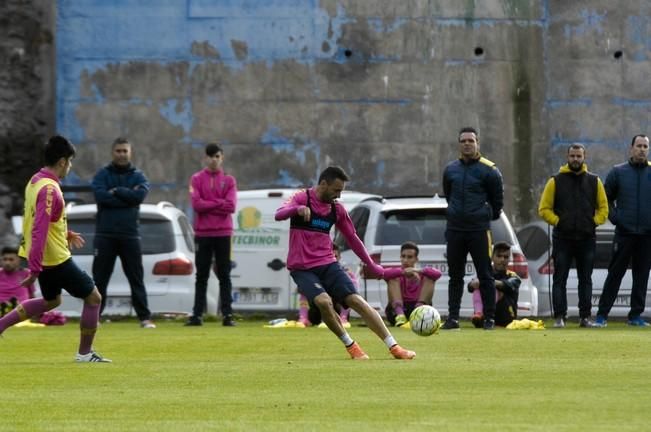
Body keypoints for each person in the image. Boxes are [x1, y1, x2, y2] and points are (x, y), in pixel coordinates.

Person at [275, 166, 415, 360]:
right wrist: (296, 210)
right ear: (323, 184)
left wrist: (371, 264)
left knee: (356, 301)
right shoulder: (302, 198)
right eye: (336, 190)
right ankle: (351, 345)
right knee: (324, 302)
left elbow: (353, 239)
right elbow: (279, 213)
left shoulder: (336, 209)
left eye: (341, 191)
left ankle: (394, 347)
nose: (338, 195)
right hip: (302, 268)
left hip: (328, 263)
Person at [0, 135, 111, 362]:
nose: (69, 167)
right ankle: (84, 354)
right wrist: (35, 268)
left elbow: (41, 220)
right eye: (69, 162)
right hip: (54, 260)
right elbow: (39, 228)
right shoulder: (50, 189)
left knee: (52, 302)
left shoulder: (35, 180)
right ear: (62, 161)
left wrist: (65, 233)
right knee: (93, 298)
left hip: (47, 257)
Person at [538, 143, 608, 328]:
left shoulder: (595, 181)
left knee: (586, 279)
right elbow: (544, 209)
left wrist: (594, 222)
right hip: (563, 239)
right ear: (567, 157)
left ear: (584, 157)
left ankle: (585, 317)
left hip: (587, 238)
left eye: (579, 156)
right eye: (572, 156)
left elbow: (604, 208)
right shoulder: (555, 181)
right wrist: (559, 222)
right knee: (559, 278)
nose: (575, 159)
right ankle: (560, 317)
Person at [441, 126, 504, 330]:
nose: (467, 144)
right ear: (459, 144)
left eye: (471, 140)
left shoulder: (490, 170)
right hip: (455, 229)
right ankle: (453, 318)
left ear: (478, 143)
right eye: (463, 141)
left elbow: (497, 205)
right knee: (455, 276)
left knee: (485, 274)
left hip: (479, 230)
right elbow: (449, 195)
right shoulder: (450, 169)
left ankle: (489, 319)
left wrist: (482, 215)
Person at [91, 137, 155, 328]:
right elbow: (100, 196)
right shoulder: (102, 174)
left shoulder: (139, 176)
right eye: (118, 151)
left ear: (130, 153)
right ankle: (94, 317)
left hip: (130, 235)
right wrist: (127, 197)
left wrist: (116, 191)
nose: (121, 154)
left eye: (124, 151)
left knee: (136, 278)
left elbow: (139, 197)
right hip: (105, 234)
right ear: (113, 152)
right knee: (100, 279)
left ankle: (144, 318)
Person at [595, 134, 651, 327]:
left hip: (646, 235)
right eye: (639, 146)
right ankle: (602, 316)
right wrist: (616, 218)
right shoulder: (618, 172)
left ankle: (635, 316)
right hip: (624, 233)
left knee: (641, 276)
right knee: (615, 274)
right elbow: (605, 198)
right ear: (631, 148)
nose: (642, 149)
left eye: (645, 146)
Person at [185, 143, 237, 327]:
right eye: (211, 156)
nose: (214, 160)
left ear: (222, 158)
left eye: (217, 156)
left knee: (224, 274)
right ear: (205, 158)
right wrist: (219, 203)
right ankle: (197, 315)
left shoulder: (229, 180)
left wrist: (209, 204)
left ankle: (227, 315)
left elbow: (231, 206)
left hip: (223, 233)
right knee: (202, 275)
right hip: (203, 233)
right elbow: (197, 205)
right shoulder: (196, 179)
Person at [383, 241, 441, 327]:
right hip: (397, 312)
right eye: (403, 256)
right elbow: (383, 274)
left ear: (416, 259)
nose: (406, 260)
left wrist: (417, 270)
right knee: (392, 279)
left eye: (410, 257)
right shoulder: (397, 274)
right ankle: (400, 316)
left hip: (419, 312)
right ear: (400, 257)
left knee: (430, 278)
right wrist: (402, 272)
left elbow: (438, 274)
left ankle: (418, 313)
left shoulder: (422, 274)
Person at [468, 241, 521, 328]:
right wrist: (473, 284)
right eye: (499, 256)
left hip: (506, 320)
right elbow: (470, 287)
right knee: (479, 286)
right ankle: (479, 315)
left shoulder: (514, 276)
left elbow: (507, 285)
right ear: (492, 257)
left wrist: (486, 282)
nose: (502, 260)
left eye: (506, 257)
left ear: (509, 259)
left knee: (493, 287)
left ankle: (487, 319)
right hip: (485, 318)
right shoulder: (485, 274)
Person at [298, 243, 352, 327]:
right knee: (304, 287)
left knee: (346, 292)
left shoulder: (345, 273)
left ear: (340, 257)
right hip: (316, 311)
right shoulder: (314, 272)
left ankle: (342, 319)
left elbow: (351, 296)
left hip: (336, 309)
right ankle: (303, 318)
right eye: (330, 256)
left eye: (335, 256)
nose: (333, 259)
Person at [0, 246, 35, 316]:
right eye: (5, 259)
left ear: (18, 260)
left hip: (21, 310)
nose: (7, 263)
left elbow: (32, 296)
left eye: (11, 259)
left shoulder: (26, 273)